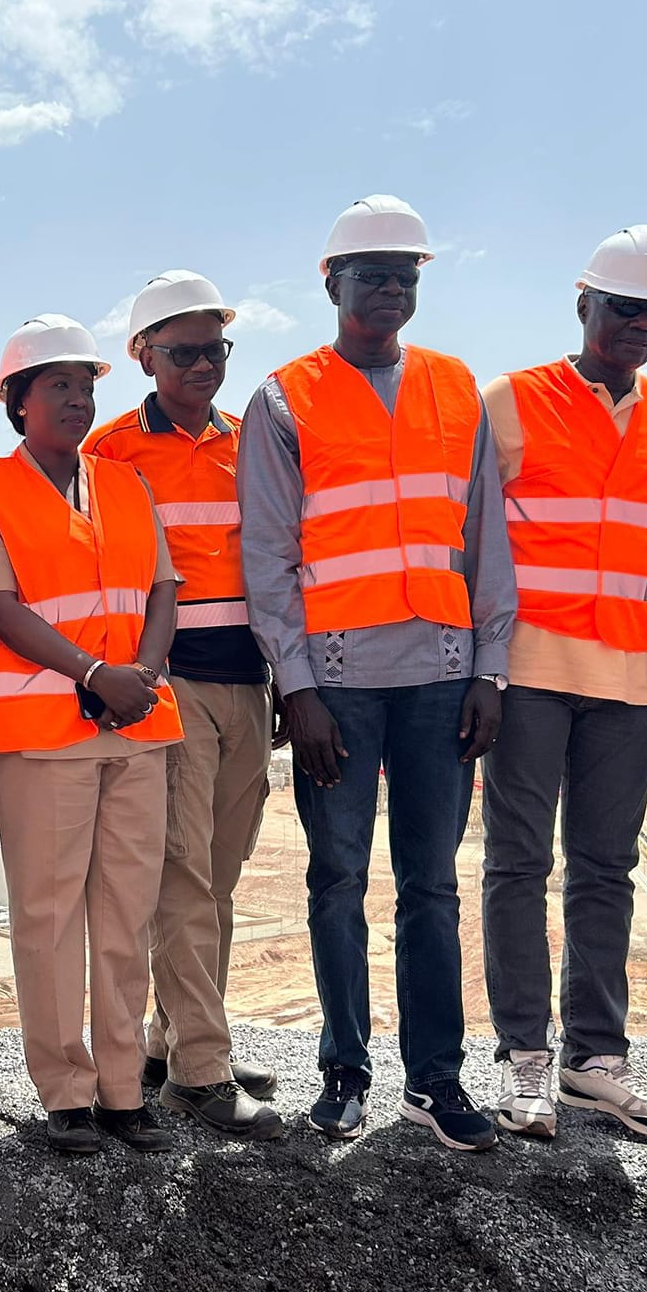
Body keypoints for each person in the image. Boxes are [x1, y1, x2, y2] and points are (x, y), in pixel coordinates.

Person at [236, 195, 515, 1153]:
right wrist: (298, 687)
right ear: (332, 285)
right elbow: (268, 556)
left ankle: (435, 1080)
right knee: (338, 880)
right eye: (371, 274)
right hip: (340, 683)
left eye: (405, 274)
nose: (391, 289)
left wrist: (490, 670)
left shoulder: (455, 388)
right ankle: (345, 1072)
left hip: (442, 674)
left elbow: (485, 539)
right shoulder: (284, 399)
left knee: (432, 886)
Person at [477, 228, 647, 1143]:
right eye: (625, 308)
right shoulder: (512, 400)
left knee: (607, 869)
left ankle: (594, 1061)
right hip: (528, 671)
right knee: (518, 865)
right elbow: (471, 538)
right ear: (584, 304)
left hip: (629, 679)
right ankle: (525, 1055)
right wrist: (480, 667)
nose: (641, 326)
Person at [0, 316, 183, 1155]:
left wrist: (142, 677)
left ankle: (123, 1090)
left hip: (136, 727)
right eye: (57, 385)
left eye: (85, 386)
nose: (77, 400)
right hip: (40, 730)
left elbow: (161, 590)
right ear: (17, 400)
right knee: (49, 915)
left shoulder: (126, 484)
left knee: (126, 913)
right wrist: (95, 675)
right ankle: (65, 1092)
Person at [86, 272, 286, 1139]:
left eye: (215, 350)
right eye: (184, 352)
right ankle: (202, 1071)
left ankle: (173, 1041)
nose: (204, 365)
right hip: (174, 686)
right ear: (144, 356)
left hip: (250, 682)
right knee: (183, 877)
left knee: (222, 873)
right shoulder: (110, 451)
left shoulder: (253, 443)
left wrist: (286, 680)